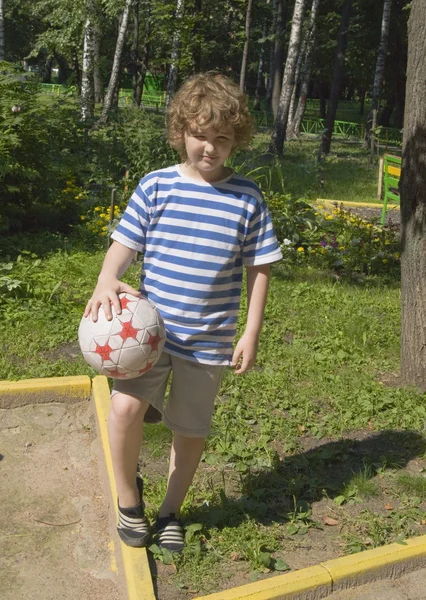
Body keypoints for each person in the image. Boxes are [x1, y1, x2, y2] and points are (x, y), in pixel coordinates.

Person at [84, 72, 282, 553]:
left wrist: (250, 332)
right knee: (125, 409)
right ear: (180, 133)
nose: (209, 148)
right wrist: (107, 277)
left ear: (236, 141)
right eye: (200, 135)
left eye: (222, 139)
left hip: (210, 340)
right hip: (146, 339)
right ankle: (129, 502)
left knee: (189, 431)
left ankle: (171, 510)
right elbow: (125, 243)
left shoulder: (247, 199)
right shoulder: (156, 187)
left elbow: (260, 270)